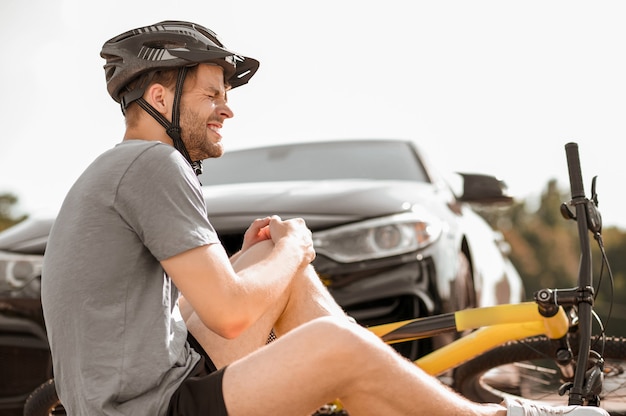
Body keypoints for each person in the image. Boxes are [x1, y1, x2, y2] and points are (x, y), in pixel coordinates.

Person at [40, 20, 609, 416]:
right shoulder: (155, 162)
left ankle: (365, 387)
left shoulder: (118, 167)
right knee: (334, 338)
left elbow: (207, 301)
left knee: (276, 264)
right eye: (212, 93)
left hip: (137, 388)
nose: (227, 108)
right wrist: (296, 247)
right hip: (155, 408)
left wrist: (279, 258)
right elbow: (232, 314)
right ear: (161, 98)